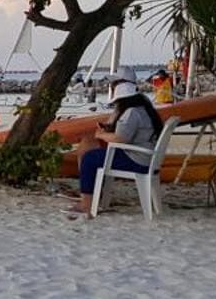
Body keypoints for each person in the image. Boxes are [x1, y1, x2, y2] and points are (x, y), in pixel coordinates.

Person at [69, 80, 162, 217]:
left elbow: (121, 138)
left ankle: (86, 204)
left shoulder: (131, 112)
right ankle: (93, 197)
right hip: (146, 159)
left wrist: (101, 135)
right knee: (94, 154)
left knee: (89, 158)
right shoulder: (145, 110)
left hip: (136, 160)